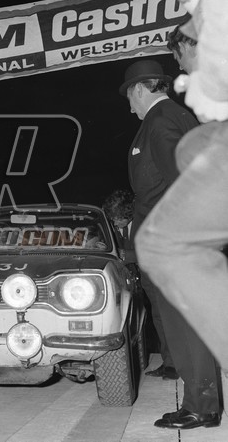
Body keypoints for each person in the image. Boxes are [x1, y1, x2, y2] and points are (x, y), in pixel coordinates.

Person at [133, 0, 223, 430]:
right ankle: (201, 400)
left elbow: (177, 173)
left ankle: (202, 402)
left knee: (166, 250)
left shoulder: (162, 118)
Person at [119, 58, 199, 388]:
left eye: (129, 97)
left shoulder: (161, 120)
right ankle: (178, 366)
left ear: (140, 89)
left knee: (176, 311)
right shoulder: (171, 116)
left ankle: (197, 390)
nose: (130, 107)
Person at [102, 189, 135, 260]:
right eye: (113, 219)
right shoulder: (113, 225)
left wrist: (124, 254)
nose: (115, 223)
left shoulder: (144, 225)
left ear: (129, 215)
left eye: (119, 219)